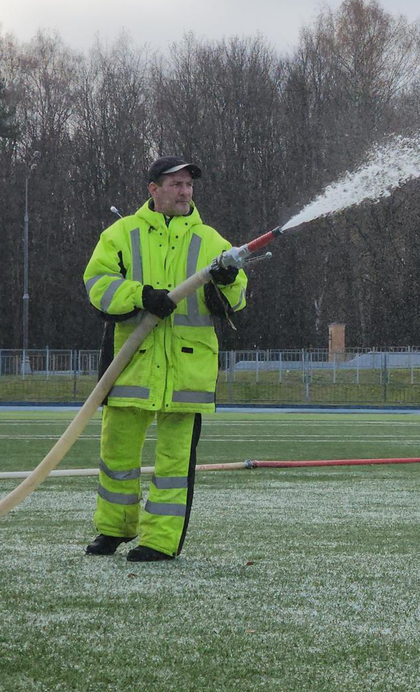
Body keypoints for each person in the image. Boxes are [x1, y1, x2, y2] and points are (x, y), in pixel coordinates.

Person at [82, 156, 247, 561]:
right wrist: (140, 296)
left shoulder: (212, 240)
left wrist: (227, 282)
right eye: (175, 184)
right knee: (117, 457)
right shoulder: (121, 233)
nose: (184, 191)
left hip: (186, 372)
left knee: (174, 465)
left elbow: (238, 300)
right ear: (153, 190)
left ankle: (160, 541)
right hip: (131, 365)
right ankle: (113, 530)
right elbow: (97, 284)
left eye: (188, 184)